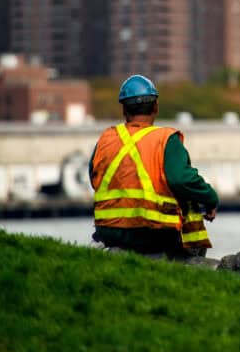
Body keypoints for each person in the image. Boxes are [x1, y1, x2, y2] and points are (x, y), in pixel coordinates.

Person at [89, 74, 219, 259]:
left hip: (109, 230)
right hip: (153, 232)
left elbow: (94, 178)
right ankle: (189, 261)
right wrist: (210, 198)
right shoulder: (166, 140)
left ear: (124, 110)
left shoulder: (106, 139)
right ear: (156, 107)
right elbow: (181, 179)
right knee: (188, 200)